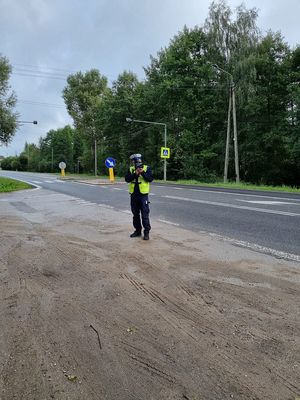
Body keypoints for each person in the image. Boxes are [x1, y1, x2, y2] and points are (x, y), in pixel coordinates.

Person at [125, 153, 153, 240]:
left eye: (134, 161)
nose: (133, 163)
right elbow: (127, 179)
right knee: (135, 214)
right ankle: (137, 231)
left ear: (138, 160)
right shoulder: (131, 169)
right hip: (133, 195)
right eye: (133, 162)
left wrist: (142, 172)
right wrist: (135, 174)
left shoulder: (146, 168)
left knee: (145, 214)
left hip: (143, 196)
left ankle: (146, 232)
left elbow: (150, 179)